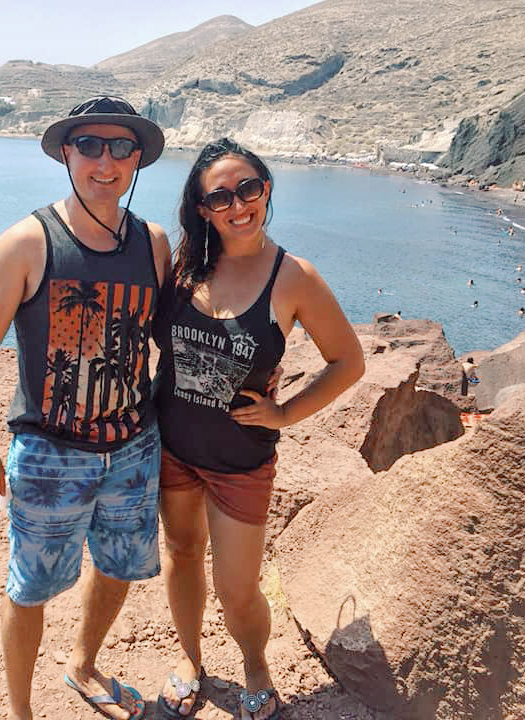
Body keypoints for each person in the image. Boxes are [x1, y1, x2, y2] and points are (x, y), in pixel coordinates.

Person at [0, 96, 171, 720]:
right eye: (91, 146)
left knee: (119, 568)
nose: (105, 162)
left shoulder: (154, 243)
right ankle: (22, 712)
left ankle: (82, 665)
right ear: (66, 154)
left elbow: (166, 337)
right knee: (29, 591)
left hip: (134, 449)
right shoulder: (27, 243)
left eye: (120, 148)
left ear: (137, 158)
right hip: (50, 453)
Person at [152, 138, 365, 720]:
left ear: (266, 188)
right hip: (172, 448)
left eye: (249, 188)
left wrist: (285, 413)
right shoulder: (183, 267)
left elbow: (349, 361)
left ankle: (256, 669)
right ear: (202, 209)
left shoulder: (293, 277)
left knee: (238, 588)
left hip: (240, 461)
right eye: (220, 196)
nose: (238, 205)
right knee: (181, 551)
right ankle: (190, 660)